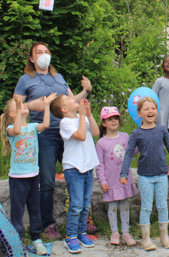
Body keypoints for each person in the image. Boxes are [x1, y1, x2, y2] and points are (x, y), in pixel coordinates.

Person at [13, 42, 93, 240]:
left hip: (69, 131)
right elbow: (15, 107)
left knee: (78, 172)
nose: (44, 55)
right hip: (44, 133)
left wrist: (87, 91)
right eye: (39, 52)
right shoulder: (26, 79)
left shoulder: (58, 77)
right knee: (47, 181)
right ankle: (47, 224)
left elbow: (73, 101)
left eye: (46, 51)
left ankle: (82, 221)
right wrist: (35, 105)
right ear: (32, 59)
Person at [120, 97, 169, 251]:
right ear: (139, 113)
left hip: (161, 175)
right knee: (146, 207)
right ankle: (146, 238)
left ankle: (164, 236)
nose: (150, 111)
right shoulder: (136, 133)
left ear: (157, 111)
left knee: (162, 206)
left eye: (153, 108)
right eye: (146, 109)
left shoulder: (161, 130)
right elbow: (128, 154)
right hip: (145, 177)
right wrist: (124, 172)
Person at [0, 94, 57, 255]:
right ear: (12, 114)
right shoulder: (11, 130)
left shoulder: (32, 127)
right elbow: (17, 130)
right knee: (17, 210)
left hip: (34, 175)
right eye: (18, 106)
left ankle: (36, 237)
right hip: (18, 178)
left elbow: (45, 124)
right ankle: (16, 240)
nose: (23, 105)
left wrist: (46, 105)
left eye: (23, 104)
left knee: (34, 208)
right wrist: (18, 108)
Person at [51, 96, 100, 254]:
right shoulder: (65, 123)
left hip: (87, 166)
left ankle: (82, 232)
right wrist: (82, 115)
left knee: (86, 203)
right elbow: (81, 136)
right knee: (77, 203)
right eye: (69, 99)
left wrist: (89, 114)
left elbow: (95, 132)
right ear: (64, 109)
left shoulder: (82, 117)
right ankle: (70, 236)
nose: (74, 99)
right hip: (73, 167)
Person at [95, 106, 138, 247]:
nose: (114, 121)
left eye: (116, 118)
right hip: (111, 182)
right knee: (112, 207)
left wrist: (139, 139)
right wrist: (102, 181)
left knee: (125, 205)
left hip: (125, 180)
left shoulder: (125, 136)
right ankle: (115, 232)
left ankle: (126, 232)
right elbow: (99, 164)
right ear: (103, 123)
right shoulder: (101, 143)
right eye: (110, 119)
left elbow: (133, 152)